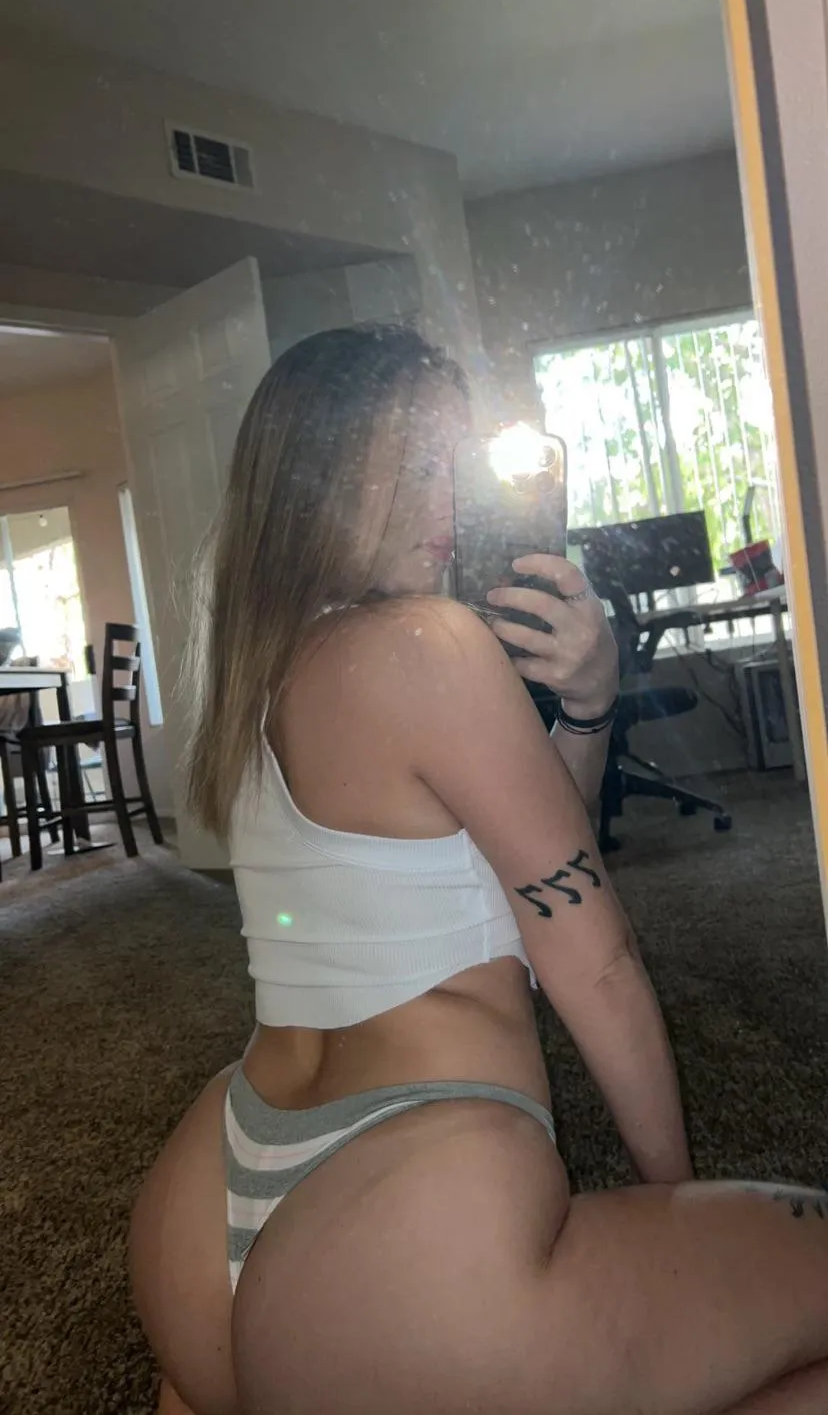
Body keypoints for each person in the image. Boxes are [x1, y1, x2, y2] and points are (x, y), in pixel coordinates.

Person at [130, 325, 828, 1415]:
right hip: (412, 1235)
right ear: (320, 476)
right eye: (409, 465)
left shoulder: (256, 663)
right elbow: (596, 964)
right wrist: (674, 1207)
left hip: (210, 1205)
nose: (445, 502)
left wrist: (586, 706)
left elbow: (521, 862)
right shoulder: (429, 643)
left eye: (447, 465)